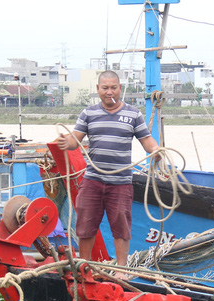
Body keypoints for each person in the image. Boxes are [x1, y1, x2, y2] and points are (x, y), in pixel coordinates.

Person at [55, 71, 159, 268]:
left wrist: (157, 150)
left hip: (120, 183)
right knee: (85, 225)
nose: (109, 92)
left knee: (121, 227)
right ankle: (84, 265)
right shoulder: (88, 113)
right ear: (98, 90)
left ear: (119, 89)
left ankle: (121, 269)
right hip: (92, 180)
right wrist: (65, 141)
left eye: (113, 87)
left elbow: (147, 141)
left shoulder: (133, 114)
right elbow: (74, 140)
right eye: (105, 88)